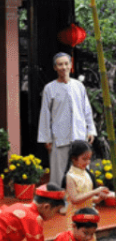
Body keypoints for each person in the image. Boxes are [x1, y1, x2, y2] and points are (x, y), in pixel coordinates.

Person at [38, 52, 96, 186]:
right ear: (55, 67)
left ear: (71, 65)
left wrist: (91, 130)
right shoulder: (49, 88)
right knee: (57, 174)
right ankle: (57, 197)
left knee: (82, 170)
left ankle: (83, 196)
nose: (63, 67)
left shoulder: (79, 86)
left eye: (66, 64)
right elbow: (45, 114)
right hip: (59, 137)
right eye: (60, 64)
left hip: (79, 134)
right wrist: (46, 138)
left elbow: (87, 110)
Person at [62, 140, 110, 230]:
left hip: (88, 215)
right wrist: (95, 191)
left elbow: (89, 199)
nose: (88, 162)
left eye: (89, 159)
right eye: (84, 159)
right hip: (76, 218)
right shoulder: (70, 176)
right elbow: (75, 199)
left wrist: (99, 198)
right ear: (74, 158)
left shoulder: (86, 173)